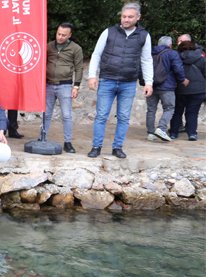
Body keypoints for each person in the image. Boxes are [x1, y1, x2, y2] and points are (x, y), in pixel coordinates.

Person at [87, 2, 153, 159]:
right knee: (101, 115)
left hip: (128, 83)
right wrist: (91, 75)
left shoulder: (144, 36)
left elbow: (146, 60)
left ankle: (117, 147)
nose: (126, 19)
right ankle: (96, 147)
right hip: (107, 80)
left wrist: (149, 82)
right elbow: (96, 54)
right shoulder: (108, 32)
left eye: (130, 17)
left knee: (123, 117)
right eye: (124, 16)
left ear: (138, 17)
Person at [45, 22, 83, 153]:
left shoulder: (76, 48)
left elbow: (79, 68)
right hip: (48, 84)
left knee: (66, 115)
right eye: (58, 34)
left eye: (63, 35)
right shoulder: (49, 46)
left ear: (70, 35)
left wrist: (76, 86)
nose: (60, 37)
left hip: (65, 85)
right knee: (46, 113)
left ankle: (68, 142)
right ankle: (42, 137)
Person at [144, 36, 187, 143]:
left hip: (151, 85)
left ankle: (150, 133)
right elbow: (178, 68)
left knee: (151, 109)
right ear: (170, 44)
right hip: (167, 86)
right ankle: (161, 128)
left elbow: (142, 67)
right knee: (169, 108)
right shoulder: (172, 53)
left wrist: (144, 82)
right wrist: (182, 79)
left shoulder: (150, 53)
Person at [170, 41, 205, 141]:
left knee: (177, 112)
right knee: (192, 112)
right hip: (198, 90)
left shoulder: (176, 57)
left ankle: (173, 133)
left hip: (180, 89)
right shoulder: (201, 58)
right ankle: (192, 134)